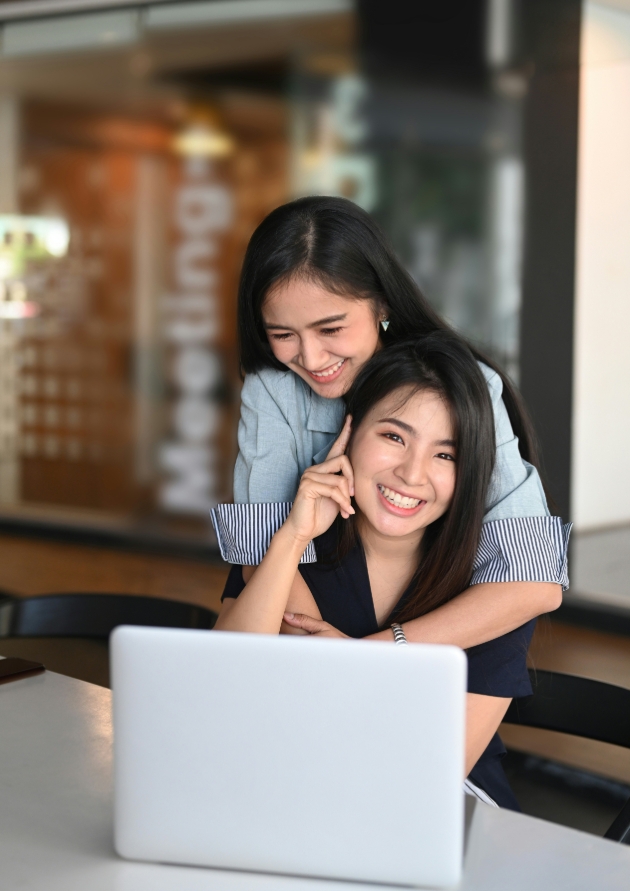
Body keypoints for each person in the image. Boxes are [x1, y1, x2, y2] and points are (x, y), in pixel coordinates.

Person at [215, 336, 569, 807]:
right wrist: (294, 537)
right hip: (288, 791)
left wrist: (358, 663)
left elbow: (423, 779)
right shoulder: (293, 555)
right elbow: (219, 691)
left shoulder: (492, 587)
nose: (411, 474)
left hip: (437, 813)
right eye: (394, 437)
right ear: (349, 434)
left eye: (446, 455)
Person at [212, 196, 570, 651]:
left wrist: (372, 655)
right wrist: (326, 659)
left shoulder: (464, 386)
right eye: (283, 335)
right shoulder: (273, 391)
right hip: (311, 616)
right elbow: (260, 556)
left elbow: (535, 579)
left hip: (426, 617)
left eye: (331, 329)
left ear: (381, 303)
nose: (312, 358)